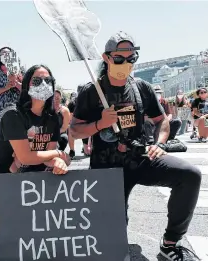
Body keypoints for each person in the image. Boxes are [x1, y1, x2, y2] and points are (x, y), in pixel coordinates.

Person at [70, 31, 201, 261]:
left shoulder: (142, 87)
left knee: (190, 175)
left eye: (132, 58)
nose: (126, 63)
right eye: (120, 58)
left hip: (141, 158)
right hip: (107, 169)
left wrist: (159, 144)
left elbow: (162, 122)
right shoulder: (91, 92)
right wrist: (101, 123)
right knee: (113, 238)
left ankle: (170, 243)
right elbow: (74, 130)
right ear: (107, 58)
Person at [0, 64, 71, 219]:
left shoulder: (53, 119)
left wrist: (59, 161)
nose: (43, 84)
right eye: (36, 81)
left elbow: (47, 157)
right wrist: (58, 153)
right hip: (0, 177)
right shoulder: (12, 115)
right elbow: (25, 157)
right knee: (12, 228)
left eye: (48, 80)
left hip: (30, 175)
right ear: (26, 84)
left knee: (35, 226)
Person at [0, 47, 22, 137]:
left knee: (17, 136)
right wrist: (5, 88)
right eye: (2, 54)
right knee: (1, 138)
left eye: (7, 53)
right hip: (0, 110)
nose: (5, 56)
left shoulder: (20, 71)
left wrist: (16, 83)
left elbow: (26, 90)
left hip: (17, 109)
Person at [67, 92, 77, 158]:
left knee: (70, 134)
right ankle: (86, 148)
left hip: (72, 120)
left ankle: (72, 150)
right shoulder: (78, 101)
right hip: (79, 119)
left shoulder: (70, 103)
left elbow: (70, 114)